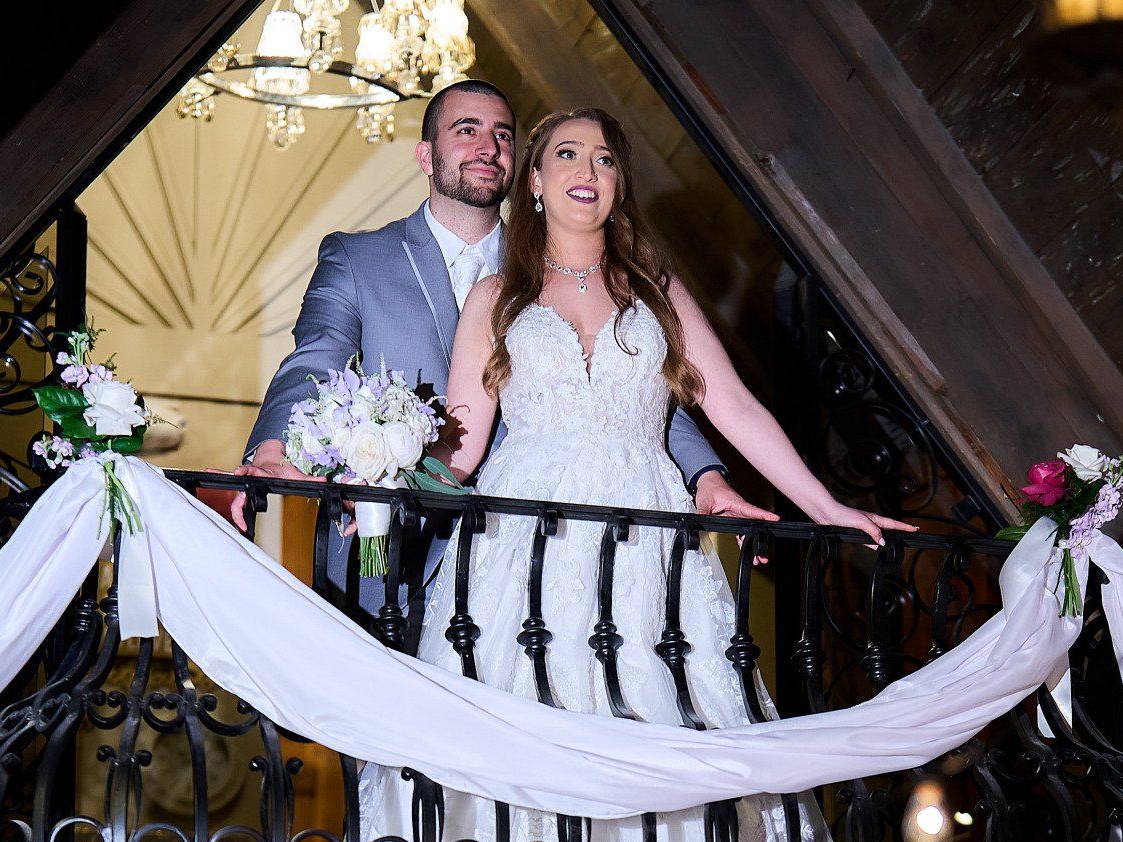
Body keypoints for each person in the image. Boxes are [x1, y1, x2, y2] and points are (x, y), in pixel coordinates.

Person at [316, 107, 913, 842]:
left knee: (672, 717)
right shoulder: (497, 297)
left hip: (646, 550)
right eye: (564, 154)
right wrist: (379, 456)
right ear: (537, 179)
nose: (585, 169)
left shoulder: (657, 290)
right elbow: (463, 445)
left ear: (618, 183)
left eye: (603, 157)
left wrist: (822, 502)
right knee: (514, 738)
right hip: (519, 553)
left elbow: (734, 408)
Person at [218, 80, 763, 629]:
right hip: (388, 553)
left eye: (503, 134)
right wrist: (270, 448)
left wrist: (705, 475)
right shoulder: (358, 258)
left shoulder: (562, 266)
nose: (488, 146)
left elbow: (635, 389)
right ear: (425, 156)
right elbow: (314, 359)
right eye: (467, 131)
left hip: (539, 553)